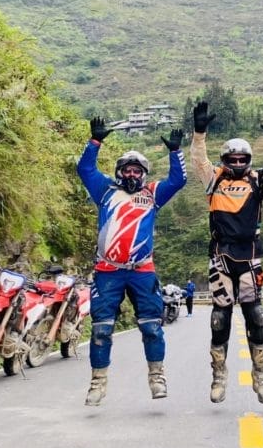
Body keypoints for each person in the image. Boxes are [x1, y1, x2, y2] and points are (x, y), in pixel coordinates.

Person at [77, 116, 187, 406]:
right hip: (107, 271)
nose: (131, 175)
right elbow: (85, 169)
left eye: (137, 171)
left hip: (142, 271)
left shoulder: (152, 194)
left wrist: (175, 152)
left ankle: (157, 377)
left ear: (144, 174)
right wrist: (95, 142)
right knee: (101, 331)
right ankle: (97, 383)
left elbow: (179, 180)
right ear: (118, 172)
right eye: (127, 169)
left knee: (151, 327)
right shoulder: (104, 192)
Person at [189, 101, 263, 405]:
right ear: (224, 159)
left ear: (248, 159)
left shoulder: (257, 180)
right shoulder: (214, 178)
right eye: (231, 158)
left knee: (256, 315)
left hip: (250, 255)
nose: (236, 162)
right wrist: (199, 131)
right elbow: (198, 159)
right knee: (219, 318)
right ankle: (219, 376)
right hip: (221, 255)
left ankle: (262, 378)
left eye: (241, 158)